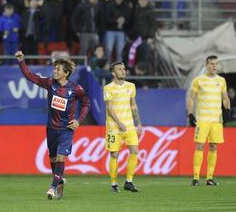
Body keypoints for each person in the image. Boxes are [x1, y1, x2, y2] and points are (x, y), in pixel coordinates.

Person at [15, 51, 90, 200]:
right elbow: (30, 76)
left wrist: (78, 121)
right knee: (54, 159)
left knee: (61, 159)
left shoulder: (76, 89)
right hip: (51, 129)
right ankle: (59, 179)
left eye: (57, 69)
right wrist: (21, 61)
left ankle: (52, 187)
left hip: (66, 129)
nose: (54, 71)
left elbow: (86, 103)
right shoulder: (50, 83)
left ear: (66, 73)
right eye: (54, 69)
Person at [187, 55, 231, 186]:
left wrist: (227, 109)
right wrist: (190, 114)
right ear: (206, 65)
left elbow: (225, 97)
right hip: (202, 120)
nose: (214, 66)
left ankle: (209, 178)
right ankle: (195, 178)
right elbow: (191, 98)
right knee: (199, 146)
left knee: (213, 146)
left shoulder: (221, 81)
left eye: (216, 64)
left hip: (216, 120)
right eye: (211, 64)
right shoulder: (198, 80)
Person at [103, 61, 142, 193]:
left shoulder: (131, 86)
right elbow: (109, 108)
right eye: (119, 69)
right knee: (114, 155)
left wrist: (138, 123)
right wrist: (119, 123)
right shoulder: (108, 88)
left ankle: (129, 181)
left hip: (129, 125)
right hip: (114, 127)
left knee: (135, 151)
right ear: (113, 73)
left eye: (124, 69)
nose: (123, 71)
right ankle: (114, 184)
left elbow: (133, 105)